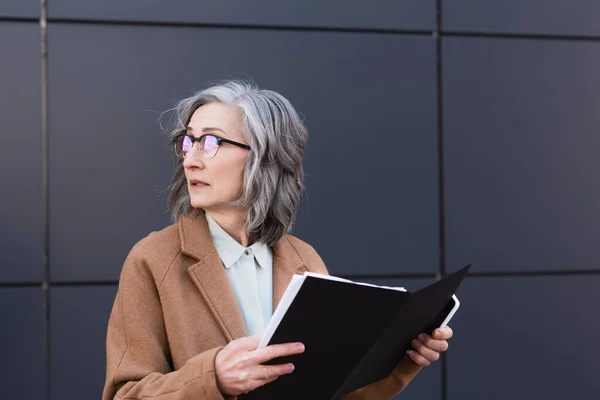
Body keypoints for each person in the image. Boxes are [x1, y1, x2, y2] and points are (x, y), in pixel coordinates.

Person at [102, 80, 453, 400]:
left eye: (210, 142)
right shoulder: (153, 259)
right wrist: (213, 379)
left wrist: (401, 357)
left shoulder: (304, 259)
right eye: (188, 141)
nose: (190, 160)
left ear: (263, 156)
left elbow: (334, 390)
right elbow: (125, 395)